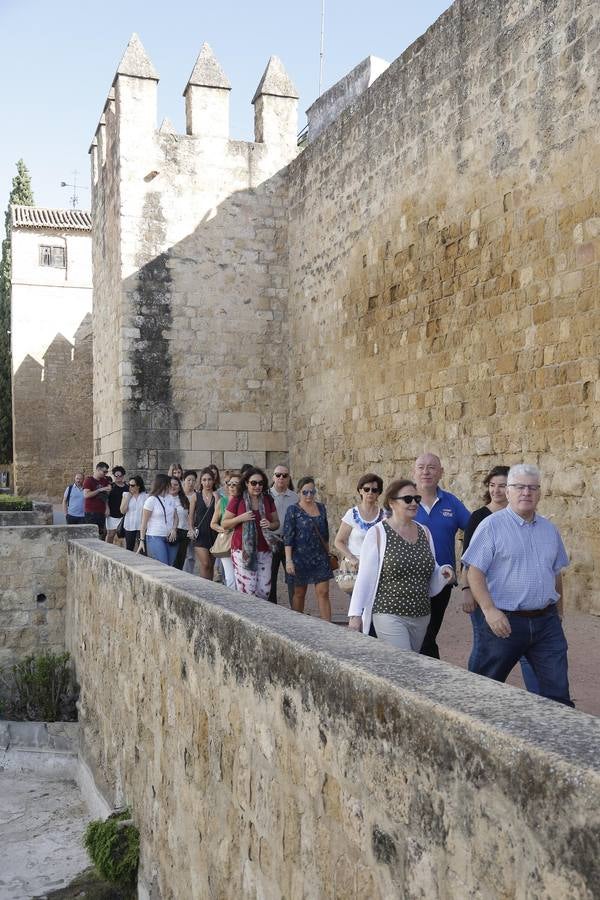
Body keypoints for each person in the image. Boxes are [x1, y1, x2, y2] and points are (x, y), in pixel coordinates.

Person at [462, 463, 573, 707]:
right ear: (509, 492)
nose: (526, 493)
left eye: (532, 488)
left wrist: (560, 611)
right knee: (484, 688)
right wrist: (489, 611)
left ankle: (553, 742)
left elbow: (556, 573)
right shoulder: (491, 526)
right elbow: (474, 571)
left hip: (546, 623)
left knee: (558, 695)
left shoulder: (549, 529)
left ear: (540, 493)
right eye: (519, 487)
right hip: (504, 622)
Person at [461, 466, 540, 695]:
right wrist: (467, 589)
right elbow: (469, 558)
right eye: (492, 485)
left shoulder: (527, 520)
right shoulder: (481, 517)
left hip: (522, 605)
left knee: (529, 654)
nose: (496, 490)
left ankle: (541, 700)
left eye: (501, 485)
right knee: (486, 648)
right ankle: (475, 690)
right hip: (486, 597)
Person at [348, 479, 454, 650]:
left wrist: (443, 571)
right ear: (392, 503)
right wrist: (355, 615)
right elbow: (365, 577)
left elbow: (430, 568)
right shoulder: (378, 533)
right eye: (407, 499)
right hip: (389, 612)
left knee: (409, 667)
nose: (413, 503)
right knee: (404, 661)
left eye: (416, 499)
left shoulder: (424, 532)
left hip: (421, 614)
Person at [413, 452, 470, 658]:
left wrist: (465, 570)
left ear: (441, 473)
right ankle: (431, 674)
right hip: (411, 580)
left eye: (431, 467)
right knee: (423, 635)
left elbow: (474, 530)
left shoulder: (451, 503)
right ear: (414, 472)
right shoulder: (404, 502)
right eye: (421, 467)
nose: (426, 472)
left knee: (430, 632)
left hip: (443, 581)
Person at [221, 467, 279, 599]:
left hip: (264, 550)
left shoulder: (268, 499)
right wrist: (240, 518)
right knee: (247, 591)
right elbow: (224, 523)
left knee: (264, 591)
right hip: (243, 551)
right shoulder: (237, 500)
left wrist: (270, 525)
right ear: (246, 483)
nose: (257, 486)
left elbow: (276, 523)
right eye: (253, 483)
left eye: (260, 483)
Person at [283, 476, 333, 622]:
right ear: (299, 492)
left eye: (312, 492)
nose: (309, 495)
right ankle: (297, 626)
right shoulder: (293, 510)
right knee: (299, 593)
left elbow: (325, 534)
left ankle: (328, 628)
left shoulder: (321, 508)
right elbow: (288, 536)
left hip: (320, 557)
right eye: (305, 492)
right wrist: (288, 560)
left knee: (323, 592)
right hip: (300, 557)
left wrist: (328, 553)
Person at [334, 473, 386, 568]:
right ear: (360, 491)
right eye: (366, 489)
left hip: (375, 565)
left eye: (374, 490)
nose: (370, 492)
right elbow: (338, 541)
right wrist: (352, 558)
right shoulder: (351, 514)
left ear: (378, 493)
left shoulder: (384, 516)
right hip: (354, 566)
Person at [268, 464, 298, 605]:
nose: (281, 478)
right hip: (271, 541)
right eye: (278, 475)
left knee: (293, 579)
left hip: (290, 543)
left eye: (284, 475)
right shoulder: (265, 495)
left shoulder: (295, 498)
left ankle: (296, 611)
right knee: (270, 578)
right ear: (273, 477)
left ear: (288, 478)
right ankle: (272, 610)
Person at [137, 474, 178, 565]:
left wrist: (174, 529)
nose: (171, 486)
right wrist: (142, 541)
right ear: (163, 484)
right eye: (169, 484)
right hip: (155, 536)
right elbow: (143, 523)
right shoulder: (151, 500)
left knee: (170, 565)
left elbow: (176, 517)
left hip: (170, 537)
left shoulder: (170, 498)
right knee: (163, 564)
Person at [209, 470, 241, 589]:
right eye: (229, 484)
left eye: (234, 484)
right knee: (230, 576)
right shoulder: (222, 502)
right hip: (227, 540)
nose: (231, 486)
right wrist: (223, 528)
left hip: (241, 540)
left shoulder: (244, 501)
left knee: (241, 575)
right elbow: (213, 523)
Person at [188, 467, 219, 580]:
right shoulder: (195, 496)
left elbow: (218, 514)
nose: (207, 482)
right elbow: (191, 515)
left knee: (210, 565)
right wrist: (191, 529)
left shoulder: (217, 496)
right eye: (204, 480)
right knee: (205, 563)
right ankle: (203, 589)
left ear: (213, 481)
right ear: (201, 481)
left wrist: (217, 499)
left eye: (209, 479)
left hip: (214, 534)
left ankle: (209, 591)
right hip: (200, 534)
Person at [83, 462, 111, 539]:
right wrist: (100, 490)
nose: (105, 473)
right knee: (90, 535)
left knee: (101, 534)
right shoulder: (89, 480)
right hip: (91, 512)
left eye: (106, 472)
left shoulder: (104, 481)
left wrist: (107, 508)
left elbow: (105, 497)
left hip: (101, 512)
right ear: (98, 469)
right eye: (104, 471)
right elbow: (86, 495)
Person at [120, 475, 147, 551]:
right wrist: (128, 498)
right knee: (129, 549)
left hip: (141, 526)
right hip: (129, 525)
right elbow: (122, 511)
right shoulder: (125, 495)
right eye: (129, 485)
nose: (130, 487)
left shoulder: (145, 496)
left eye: (132, 485)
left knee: (142, 550)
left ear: (138, 486)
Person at [170, 476, 190, 570]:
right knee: (171, 561)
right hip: (170, 533)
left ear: (179, 486)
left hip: (184, 533)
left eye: (176, 485)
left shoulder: (184, 499)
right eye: (171, 485)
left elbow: (190, 516)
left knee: (180, 561)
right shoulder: (164, 499)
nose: (173, 487)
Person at [181, 470, 198, 573]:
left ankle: (188, 575)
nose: (191, 482)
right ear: (184, 480)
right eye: (188, 480)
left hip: (192, 528)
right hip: (179, 527)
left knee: (190, 556)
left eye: (193, 480)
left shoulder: (197, 495)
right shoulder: (179, 494)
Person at [106, 466, 127, 544]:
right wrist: (106, 508)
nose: (118, 477)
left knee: (122, 535)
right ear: (114, 476)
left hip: (123, 515)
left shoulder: (127, 487)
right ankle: (107, 550)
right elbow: (105, 498)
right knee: (110, 534)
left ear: (123, 476)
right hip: (112, 514)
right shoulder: (110, 486)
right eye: (116, 475)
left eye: (120, 475)